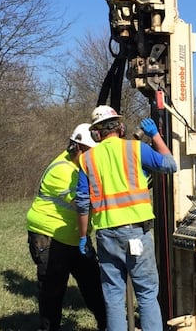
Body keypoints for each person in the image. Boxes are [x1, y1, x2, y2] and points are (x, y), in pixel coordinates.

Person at [75, 105, 177, 331]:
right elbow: (170, 165)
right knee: (147, 294)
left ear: (96, 133)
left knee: (113, 297)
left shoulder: (86, 159)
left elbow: (82, 203)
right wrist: (156, 136)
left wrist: (84, 236)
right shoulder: (135, 149)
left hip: (106, 236)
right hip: (136, 233)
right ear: (120, 127)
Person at [26, 123, 108, 331]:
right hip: (50, 236)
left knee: (94, 285)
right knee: (52, 290)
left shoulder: (79, 167)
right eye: (90, 152)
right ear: (77, 148)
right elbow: (85, 202)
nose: (94, 157)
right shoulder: (62, 170)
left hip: (75, 236)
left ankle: (107, 324)